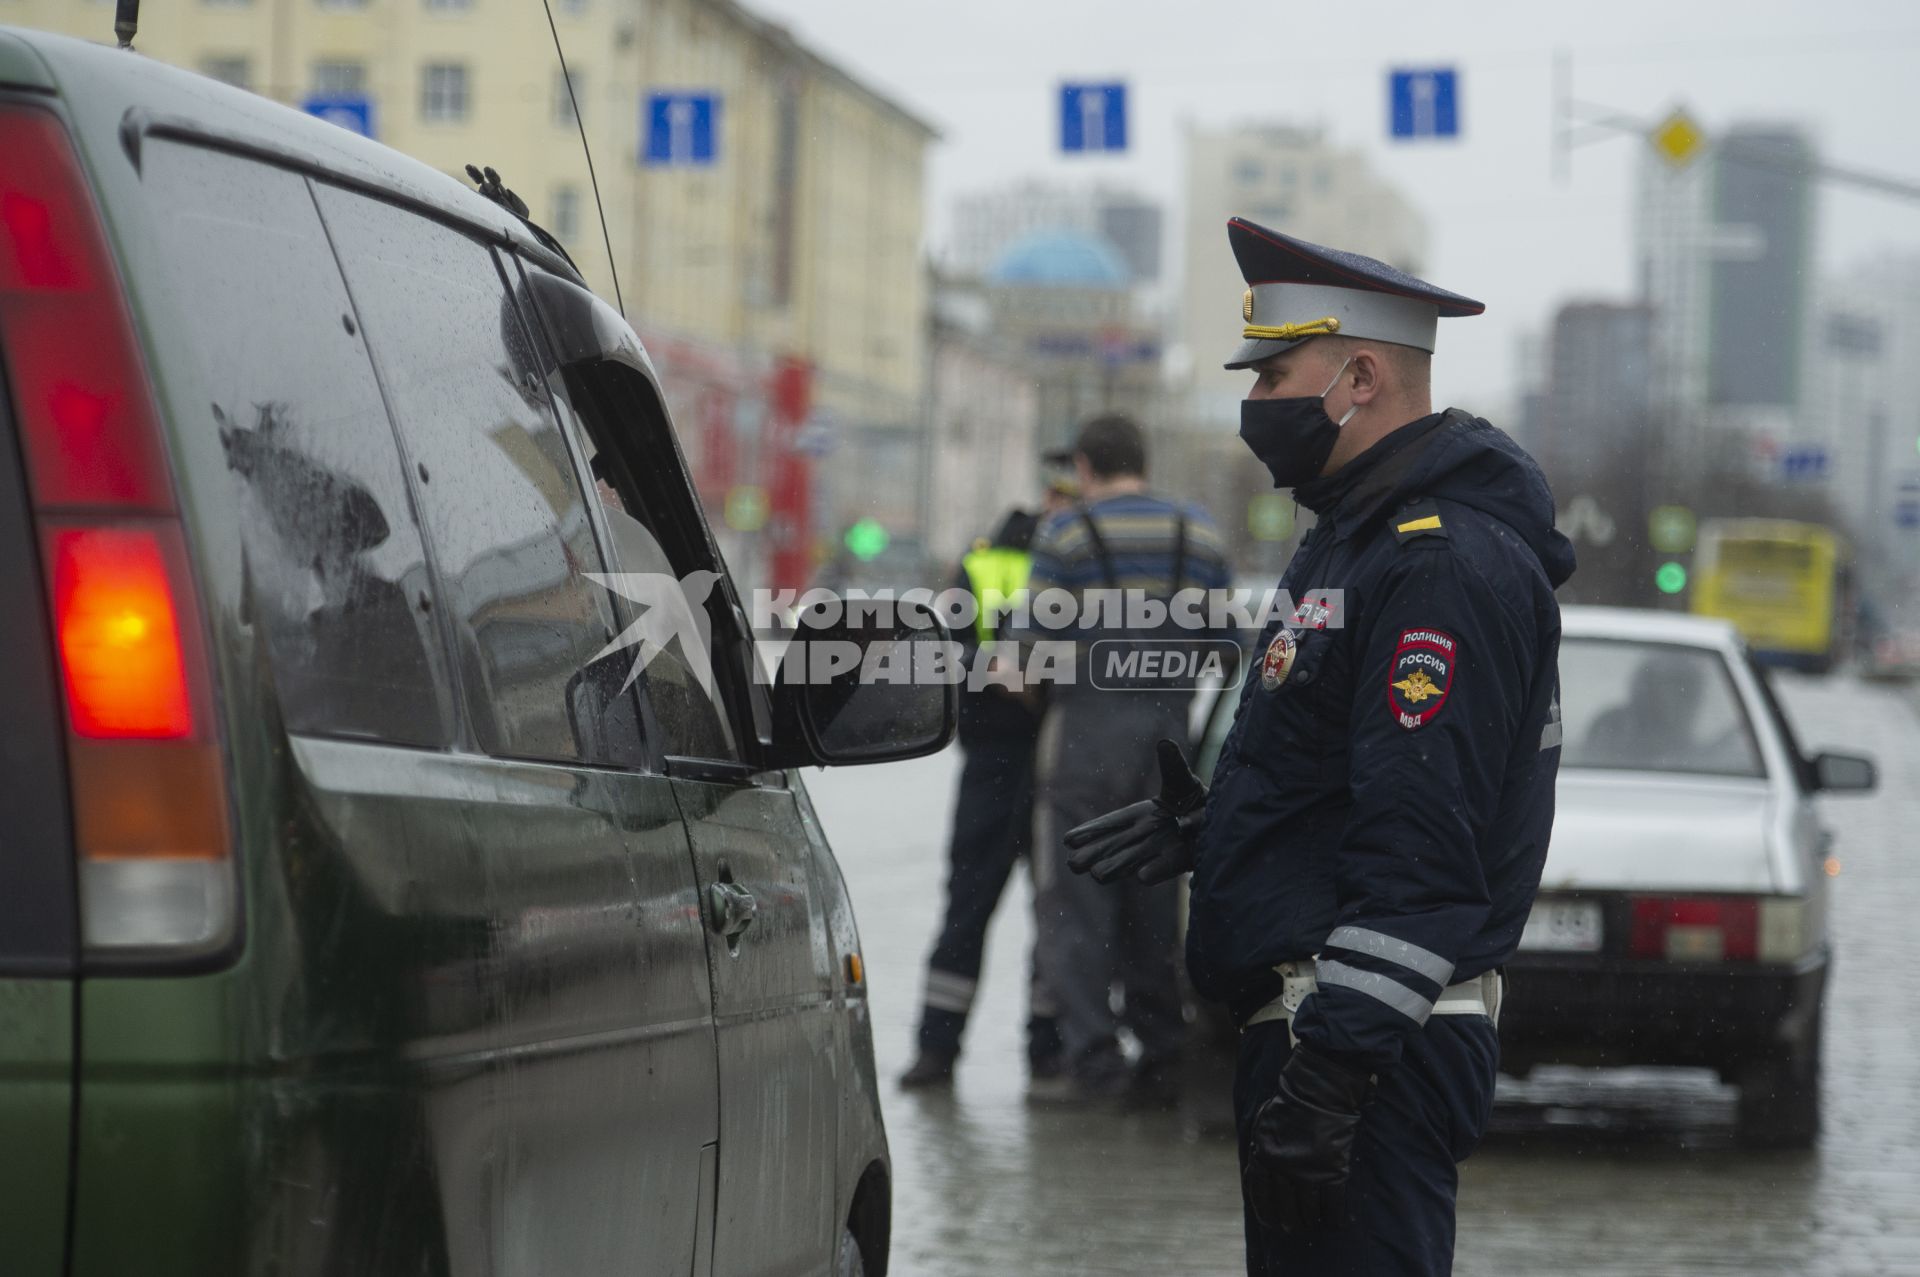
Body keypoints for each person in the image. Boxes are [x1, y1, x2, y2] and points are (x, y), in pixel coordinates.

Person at [1065, 218, 1576, 1274]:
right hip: (1327, 1029)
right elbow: (1359, 772)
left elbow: (1424, 850)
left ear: (1359, 375)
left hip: (1368, 1045)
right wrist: (1226, 828)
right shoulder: (1353, 536)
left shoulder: (1437, 562)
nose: (1255, 405)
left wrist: (1331, 1076)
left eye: (1273, 375)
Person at [1026, 414, 1232, 1106]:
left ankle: (1094, 1060)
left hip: (1084, 738)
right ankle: (1164, 1052)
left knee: (1074, 905)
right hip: (1170, 742)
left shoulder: (1065, 533)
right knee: (1156, 898)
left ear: (1084, 466)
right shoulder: (1198, 531)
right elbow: (1230, 649)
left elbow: (1030, 653)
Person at [899, 483, 1077, 1090]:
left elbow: (945, 657)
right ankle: (1046, 1052)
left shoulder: (977, 565)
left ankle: (937, 1051)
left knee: (973, 907)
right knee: (1051, 908)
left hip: (997, 760)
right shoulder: (1070, 562)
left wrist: (993, 674)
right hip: (1052, 755)